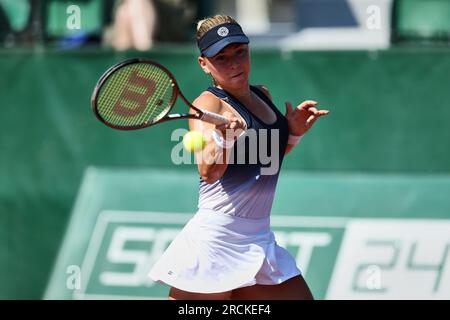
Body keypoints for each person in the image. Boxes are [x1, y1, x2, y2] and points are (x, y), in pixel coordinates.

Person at [149, 14, 329, 300]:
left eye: (240, 52)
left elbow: (263, 161)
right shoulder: (206, 105)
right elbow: (209, 171)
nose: (234, 63)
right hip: (216, 241)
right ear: (204, 64)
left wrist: (292, 133)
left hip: (258, 238)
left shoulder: (263, 94)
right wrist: (225, 138)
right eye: (221, 58)